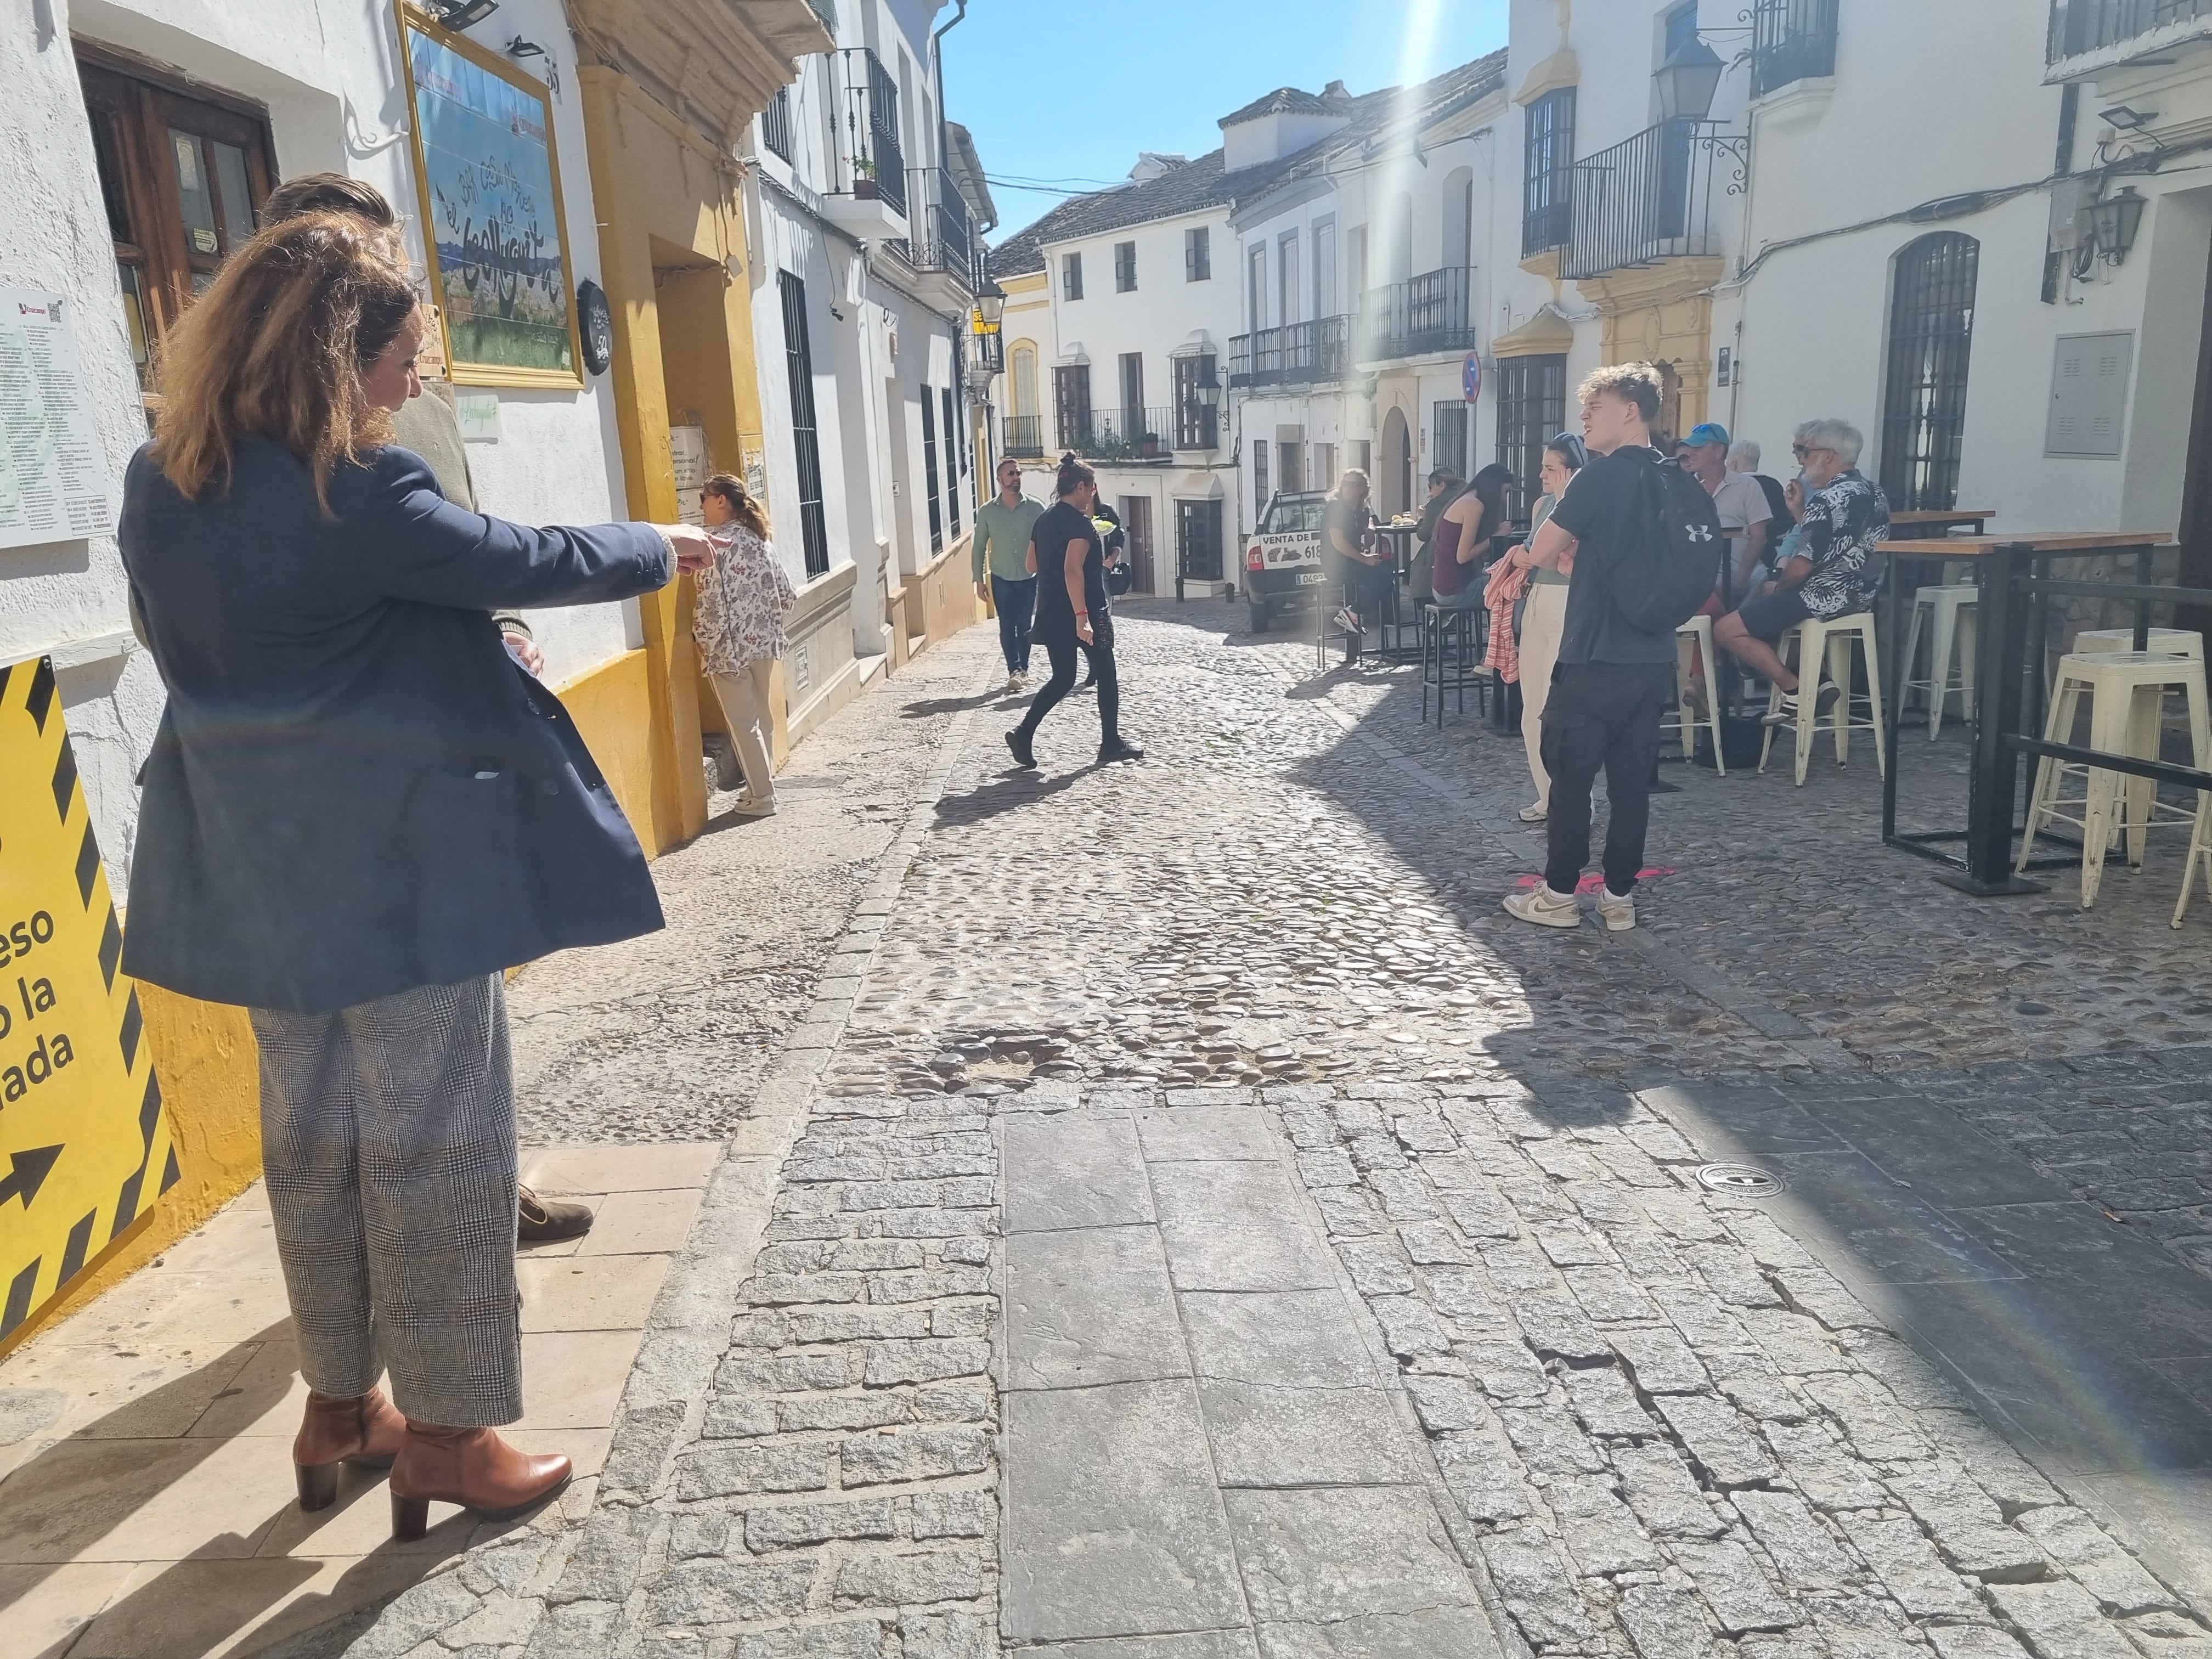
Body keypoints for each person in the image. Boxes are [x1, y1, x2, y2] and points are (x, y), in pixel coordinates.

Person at [117, 212, 715, 1537]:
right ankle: (450, 1432)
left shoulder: (158, 482)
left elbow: (180, 652)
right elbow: (513, 561)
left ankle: (341, 1408)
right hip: (398, 875)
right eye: (396, 359)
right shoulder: (359, 490)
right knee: (440, 1144)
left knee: (311, 1142)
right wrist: (650, 546)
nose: (411, 383)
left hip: (254, 874)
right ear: (333, 360)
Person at [256, 171, 586, 1247]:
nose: (386, 283)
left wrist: (501, 634)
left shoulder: (421, 411)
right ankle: (391, 1259)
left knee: (466, 1005)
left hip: (440, 759)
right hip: (318, 798)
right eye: (361, 258)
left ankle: (485, 1195)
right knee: (338, 1062)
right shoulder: (243, 441)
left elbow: (465, 548)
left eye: (389, 261)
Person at [1502, 363, 1680, 934]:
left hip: (1596, 650)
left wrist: (1525, 555)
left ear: (1630, 410)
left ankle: (1557, 895)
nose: (1583, 417)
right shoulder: (1674, 476)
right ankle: (1619, 898)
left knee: (1570, 777)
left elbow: (1542, 550)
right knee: (1632, 785)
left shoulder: (1598, 478)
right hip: (1653, 652)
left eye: (1593, 407)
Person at [1714, 418, 1891, 725]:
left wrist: (1780, 587)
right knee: (1768, 619)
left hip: (1822, 595)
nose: (1802, 459)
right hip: (1861, 595)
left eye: (1806, 453)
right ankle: (1819, 681)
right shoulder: (1875, 493)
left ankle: (1793, 690)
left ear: (1829, 456)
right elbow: (1833, 543)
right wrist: (1800, 513)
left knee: (1726, 630)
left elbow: (1800, 568)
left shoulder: (1827, 499)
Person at [1006, 455, 1143, 767]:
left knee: (1064, 677)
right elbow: (1073, 571)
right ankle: (1110, 743)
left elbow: (1031, 566)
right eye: (1092, 488)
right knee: (1106, 675)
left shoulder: (1045, 519)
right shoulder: (1080, 525)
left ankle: (1024, 732)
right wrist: (1083, 617)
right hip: (1084, 612)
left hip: (1053, 610)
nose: (1093, 493)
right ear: (1081, 487)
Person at [696, 473, 797, 817]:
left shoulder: (716, 545)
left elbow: (709, 604)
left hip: (729, 650)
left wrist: (705, 641)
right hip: (764, 645)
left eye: (704, 498)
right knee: (761, 718)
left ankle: (763, 797)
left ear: (721, 500)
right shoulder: (761, 540)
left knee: (744, 724)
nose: (702, 506)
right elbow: (787, 596)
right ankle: (760, 789)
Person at [1504, 435, 1585, 822]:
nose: (1541, 475)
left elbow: (1544, 557)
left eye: (1550, 468)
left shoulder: (1582, 506)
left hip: (1568, 606)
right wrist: (1536, 557)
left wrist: (1534, 557)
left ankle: (1573, 800)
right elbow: (1536, 557)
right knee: (1531, 707)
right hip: (1537, 602)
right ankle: (1548, 796)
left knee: (1561, 708)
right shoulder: (1543, 506)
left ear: (1571, 471)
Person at [1678, 421, 1772, 715]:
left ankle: (1705, 677)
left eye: (1697, 447)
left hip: (1744, 568)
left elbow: (1760, 535)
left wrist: (1743, 576)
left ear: (1718, 451)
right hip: (1703, 571)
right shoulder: (1686, 488)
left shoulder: (1747, 486)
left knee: (1748, 589)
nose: (1690, 453)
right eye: (1689, 448)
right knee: (1707, 599)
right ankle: (1720, 669)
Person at [974, 456, 1043, 691]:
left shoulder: (1036, 508)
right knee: (1007, 624)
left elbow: (1047, 542)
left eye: (1018, 473)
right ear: (1000, 478)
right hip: (1001, 576)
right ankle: (1014, 668)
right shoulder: (987, 512)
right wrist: (978, 578)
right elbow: (979, 546)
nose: (1016, 477)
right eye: (1011, 473)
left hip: (1028, 576)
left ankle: (1022, 669)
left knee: (1025, 624)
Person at [1323, 468, 1390, 654]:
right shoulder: (1336, 508)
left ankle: (1356, 614)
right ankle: (1353, 612)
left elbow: (1366, 540)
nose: (1350, 488)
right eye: (1347, 484)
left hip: (1354, 561)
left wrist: (1370, 531)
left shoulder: (1362, 510)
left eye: (1355, 485)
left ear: (1363, 489)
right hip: (1337, 564)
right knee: (1383, 575)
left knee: (1387, 574)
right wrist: (1365, 560)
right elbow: (1338, 542)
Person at [1431, 463, 1512, 612]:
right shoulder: (1473, 505)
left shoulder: (1466, 499)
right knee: (1513, 583)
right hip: (1455, 590)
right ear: (1494, 487)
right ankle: (1506, 633)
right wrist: (1496, 536)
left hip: (1445, 587)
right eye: (1506, 492)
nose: (1505, 499)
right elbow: (1463, 556)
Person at [1730, 436, 1796, 546]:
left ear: (1733, 464)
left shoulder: (1737, 487)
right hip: (1778, 546)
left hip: (1748, 548)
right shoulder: (1775, 484)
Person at [1410, 468, 1461, 606]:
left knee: (1419, 568)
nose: (1430, 492)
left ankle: (1427, 612)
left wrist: (1422, 517)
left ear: (1442, 485)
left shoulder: (1437, 503)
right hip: (1463, 555)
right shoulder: (1464, 496)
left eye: (1431, 487)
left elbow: (1424, 534)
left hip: (1440, 555)